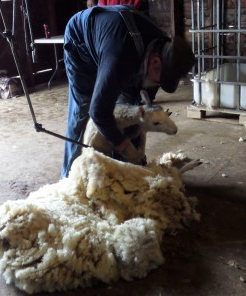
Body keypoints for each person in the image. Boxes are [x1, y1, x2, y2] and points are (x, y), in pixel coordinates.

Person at [61, 5, 195, 178]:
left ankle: (125, 172)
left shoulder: (163, 48)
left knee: (130, 105)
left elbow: (140, 103)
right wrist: (124, 145)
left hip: (117, 43)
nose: (157, 84)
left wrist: (136, 128)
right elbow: (98, 112)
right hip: (81, 44)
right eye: (159, 79)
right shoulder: (120, 57)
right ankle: (69, 179)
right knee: (83, 111)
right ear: (155, 62)